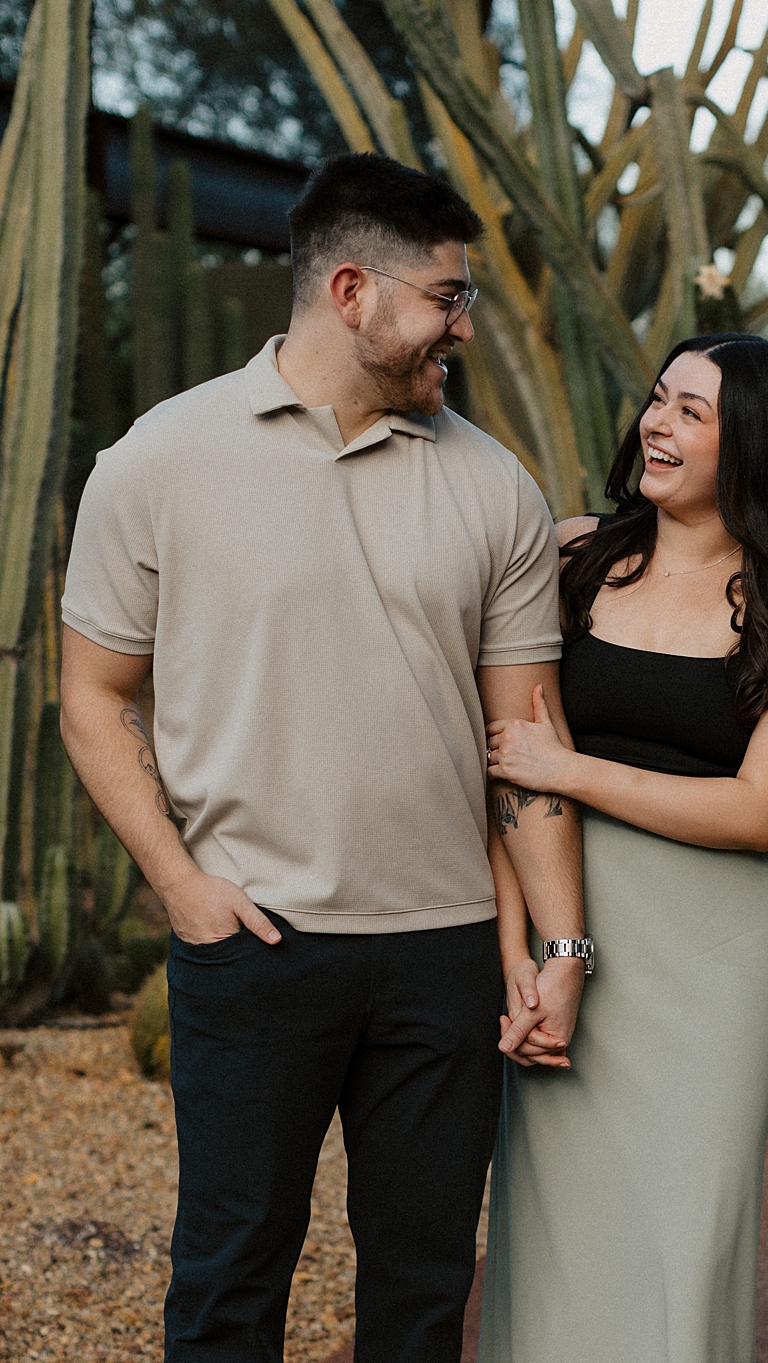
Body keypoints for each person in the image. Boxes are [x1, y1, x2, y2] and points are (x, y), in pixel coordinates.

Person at [58, 153, 586, 1361]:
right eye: (447, 298)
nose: (464, 323)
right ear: (353, 290)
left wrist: (559, 947)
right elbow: (91, 697)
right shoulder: (156, 461)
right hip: (252, 945)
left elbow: (529, 748)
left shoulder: (493, 484)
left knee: (417, 1292)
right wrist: (182, 888)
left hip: (443, 953)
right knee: (229, 1282)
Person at [474, 332, 768, 1360]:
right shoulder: (566, 553)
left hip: (715, 954)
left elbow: (758, 809)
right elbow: (504, 773)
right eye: (657, 399)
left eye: (692, 411)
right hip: (564, 913)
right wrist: (515, 954)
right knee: (553, 1227)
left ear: (756, 447)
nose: (656, 422)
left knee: (687, 1226)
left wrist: (574, 770)